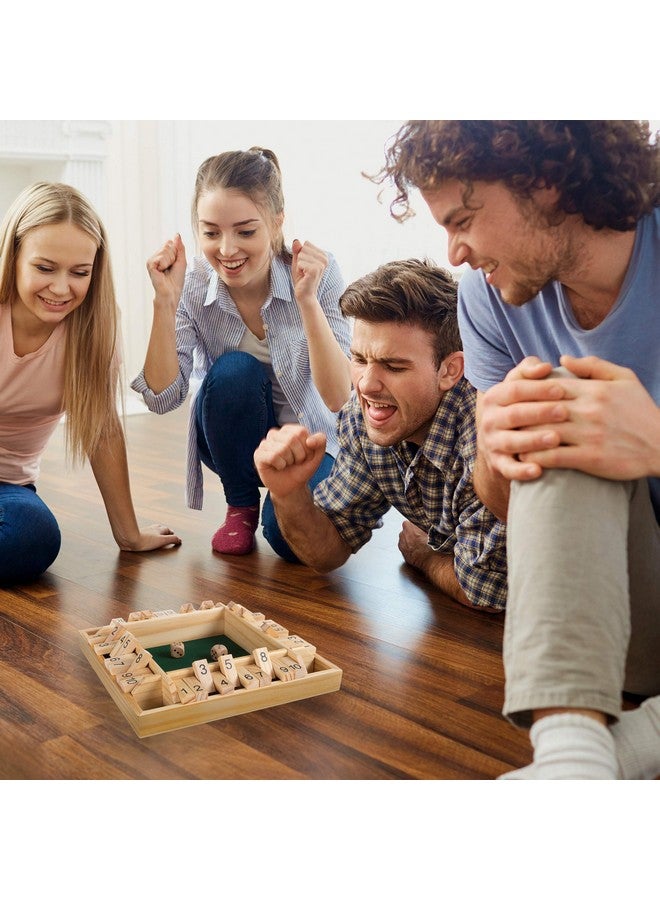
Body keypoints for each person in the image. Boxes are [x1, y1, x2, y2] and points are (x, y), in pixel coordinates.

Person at [374, 119, 660, 779]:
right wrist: (494, 454)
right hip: (625, 616)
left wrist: (651, 439)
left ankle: (611, 755)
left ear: (547, 182)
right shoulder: (486, 299)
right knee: (550, 407)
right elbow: (505, 508)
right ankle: (570, 752)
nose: (454, 252)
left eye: (464, 219)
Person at [132, 147, 351, 559]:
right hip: (234, 438)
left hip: (310, 440)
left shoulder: (319, 273)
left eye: (246, 231)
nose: (227, 250)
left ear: (276, 223)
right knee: (233, 370)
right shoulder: (193, 284)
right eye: (211, 232)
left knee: (290, 543)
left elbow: (340, 396)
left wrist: (307, 301)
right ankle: (241, 503)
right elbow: (162, 398)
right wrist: (166, 300)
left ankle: (286, 505)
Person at [254, 258, 507, 612]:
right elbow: (329, 551)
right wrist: (289, 493)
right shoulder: (364, 417)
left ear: (450, 370)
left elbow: (488, 592)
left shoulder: (483, 439)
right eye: (359, 359)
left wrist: (424, 557)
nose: (366, 384)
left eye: (393, 366)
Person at [0, 181, 181, 585]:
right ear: (13, 256)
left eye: (79, 272)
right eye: (44, 268)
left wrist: (129, 534)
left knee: (33, 535)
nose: (61, 288)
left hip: (8, 489)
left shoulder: (95, 325)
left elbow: (101, 429)